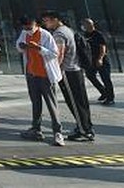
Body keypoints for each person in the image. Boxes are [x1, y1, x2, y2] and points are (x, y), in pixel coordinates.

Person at [42, 11, 95, 141]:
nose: (45, 23)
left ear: (55, 19)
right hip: (76, 69)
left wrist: (55, 73)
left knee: (74, 102)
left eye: (46, 20)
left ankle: (84, 131)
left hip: (67, 71)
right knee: (81, 101)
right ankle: (84, 126)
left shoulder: (59, 34)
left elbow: (58, 55)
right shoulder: (68, 30)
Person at [16, 16, 65, 146]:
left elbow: (55, 53)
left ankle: (57, 131)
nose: (27, 30)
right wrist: (22, 46)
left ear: (35, 24)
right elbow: (19, 46)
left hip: (45, 75)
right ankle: (36, 129)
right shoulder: (24, 33)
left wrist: (39, 48)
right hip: (32, 74)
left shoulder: (45, 35)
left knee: (51, 103)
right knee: (35, 103)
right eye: (25, 28)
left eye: (29, 27)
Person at [81, 18, 115, 105]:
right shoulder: (85, 34)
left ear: (90, 25)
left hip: (101, 59)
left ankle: (110, 98)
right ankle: (103, 92)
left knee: (106, 78)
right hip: (91, 60)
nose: (83, 26)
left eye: (85, 24)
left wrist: (100, 58)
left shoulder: (98, 34)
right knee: (90, 75)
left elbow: (103, 47)